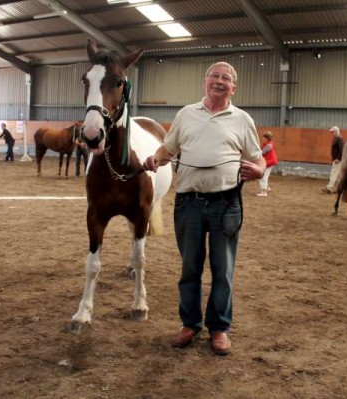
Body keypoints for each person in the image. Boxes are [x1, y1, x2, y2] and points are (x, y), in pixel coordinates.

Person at [142, 62, 265, 356]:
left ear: (233, 88)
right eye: (214, 76)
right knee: (190, 269)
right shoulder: (186, 114)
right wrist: (155, 158)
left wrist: (259, 172)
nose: (219, 81)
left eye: (226, 78)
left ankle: (219, 328)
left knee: (223, 271)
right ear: (204, 82)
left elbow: (258, 159)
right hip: (189, 204)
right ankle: (190, 324)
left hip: (227, 204)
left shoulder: (242, 119)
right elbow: (168, 149)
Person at [322, 126, 344, 194]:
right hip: (337, 159)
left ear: (336, 131)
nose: (332, 133)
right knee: (338, 175)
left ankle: (329, 188)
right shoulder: (337, 138)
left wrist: (338, 158)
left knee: (334, 173)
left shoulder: (339, 139)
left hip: (338, 160)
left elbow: (342, 149)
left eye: (332, 132)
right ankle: (340, 188)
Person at [256, 131, 278, 196]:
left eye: (264, 138)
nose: (262, 139)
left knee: (263, 176)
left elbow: (262, 153)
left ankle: (264, 192)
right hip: (270, 161)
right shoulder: (269, 144)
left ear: (267, 138)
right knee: (265, 175)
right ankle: (267, 188)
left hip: (269, 161)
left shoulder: (269, 145)